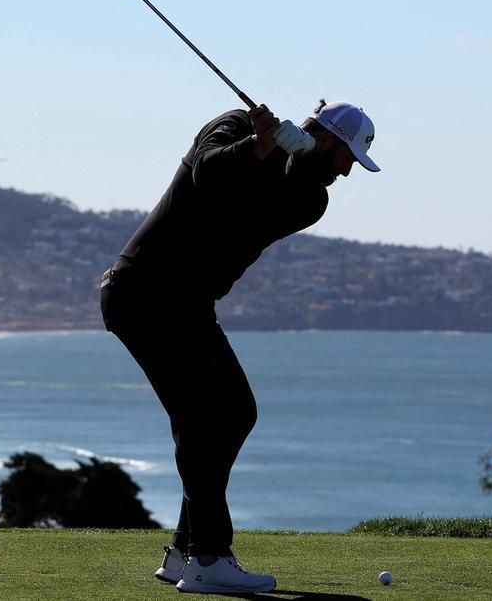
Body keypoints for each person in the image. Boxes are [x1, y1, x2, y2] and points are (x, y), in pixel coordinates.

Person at [99, 99, 379, 595]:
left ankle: (188, 551)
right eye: (346, 158)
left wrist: (268, 151)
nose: (346, 172)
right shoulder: (231, 125)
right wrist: (257, 144)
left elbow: (255, 198)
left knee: (223, 415)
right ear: (328, 139)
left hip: (181, 303)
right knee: (213, 416)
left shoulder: (310, 198)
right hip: (147, 292)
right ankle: (208, 556)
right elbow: (208, 175)